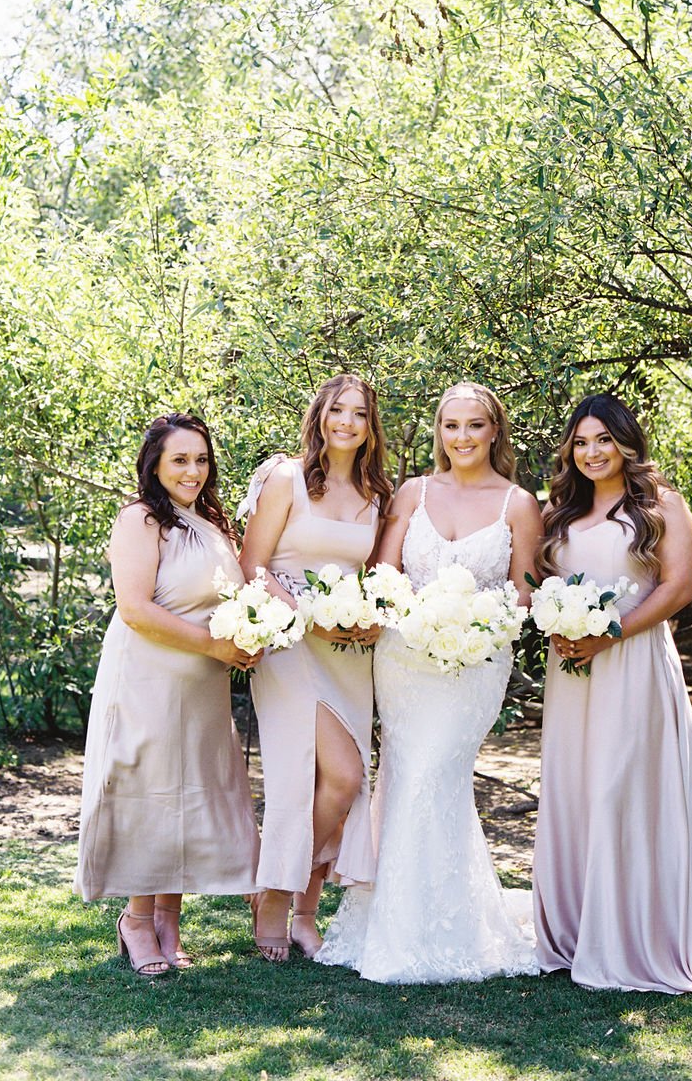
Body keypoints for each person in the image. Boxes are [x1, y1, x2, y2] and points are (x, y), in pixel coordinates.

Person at [316, 382, 544, 983]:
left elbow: (524, 593)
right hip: (404, 659)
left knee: (433, 774)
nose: (462, 438)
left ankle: (437, 928)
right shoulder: (413, 492)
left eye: (474, 426)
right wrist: (414, 612)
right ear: (439, 431)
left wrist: (477, 620)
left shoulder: (518, 503)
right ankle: (395, 924)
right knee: (406, 775)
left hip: (476, 661)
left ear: (495, 431)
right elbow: (385, 569)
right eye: (451, 426)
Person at [532, 393, 692, 994]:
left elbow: (679, 587)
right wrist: (559, 623)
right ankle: (579, 925)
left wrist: (611, 632)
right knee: (577, 783)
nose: (592, 452)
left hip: (632, 661)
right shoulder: (559, 511)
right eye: (580, 442)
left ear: (627, 442)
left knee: (622, 781)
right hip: (572, 671)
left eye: (603, 439)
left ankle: (635, 926)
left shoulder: (659, 506)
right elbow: (540, 581)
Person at [74, 413, 261, 976]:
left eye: (201, 459)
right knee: (150, 791)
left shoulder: (209, 521)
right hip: (148, 677)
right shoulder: (140, 518)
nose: (193, 471)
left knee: (187, 794)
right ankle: (136, 920)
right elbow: (135, 610)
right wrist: (214, 645)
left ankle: (169, 922)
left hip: (201, 685)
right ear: (155, 464)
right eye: (180, 459)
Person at [239, 374, 393, 962]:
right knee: (337, 773)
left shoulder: (377, 493)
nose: (346, 422)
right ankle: (273, 895)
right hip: (290, 644)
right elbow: (252, 562)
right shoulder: (286, 478)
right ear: (319, 416)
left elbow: (377, 575)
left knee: (341, 784)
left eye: (358, 413)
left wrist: (371, 615)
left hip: (348, 651)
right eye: (336, 411)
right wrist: (307, 616)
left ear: (370, 425)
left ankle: (304, 909)